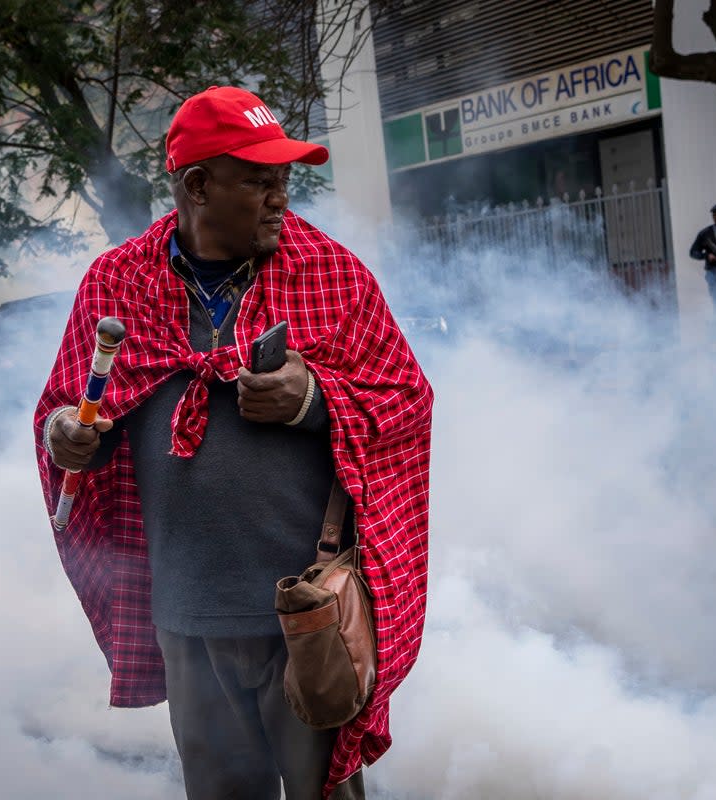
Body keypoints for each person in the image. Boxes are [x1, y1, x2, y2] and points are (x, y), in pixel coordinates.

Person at [34, 85, 434, 799]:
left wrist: (313, 401)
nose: (281, 197)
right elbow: (72, 411)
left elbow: (405, 403)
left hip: (310, 611)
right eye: (259, 181)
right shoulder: (116, 282)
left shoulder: (332, 275)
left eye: (285, 181)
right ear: (197, 184)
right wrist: (69, 437)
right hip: (187, 617)